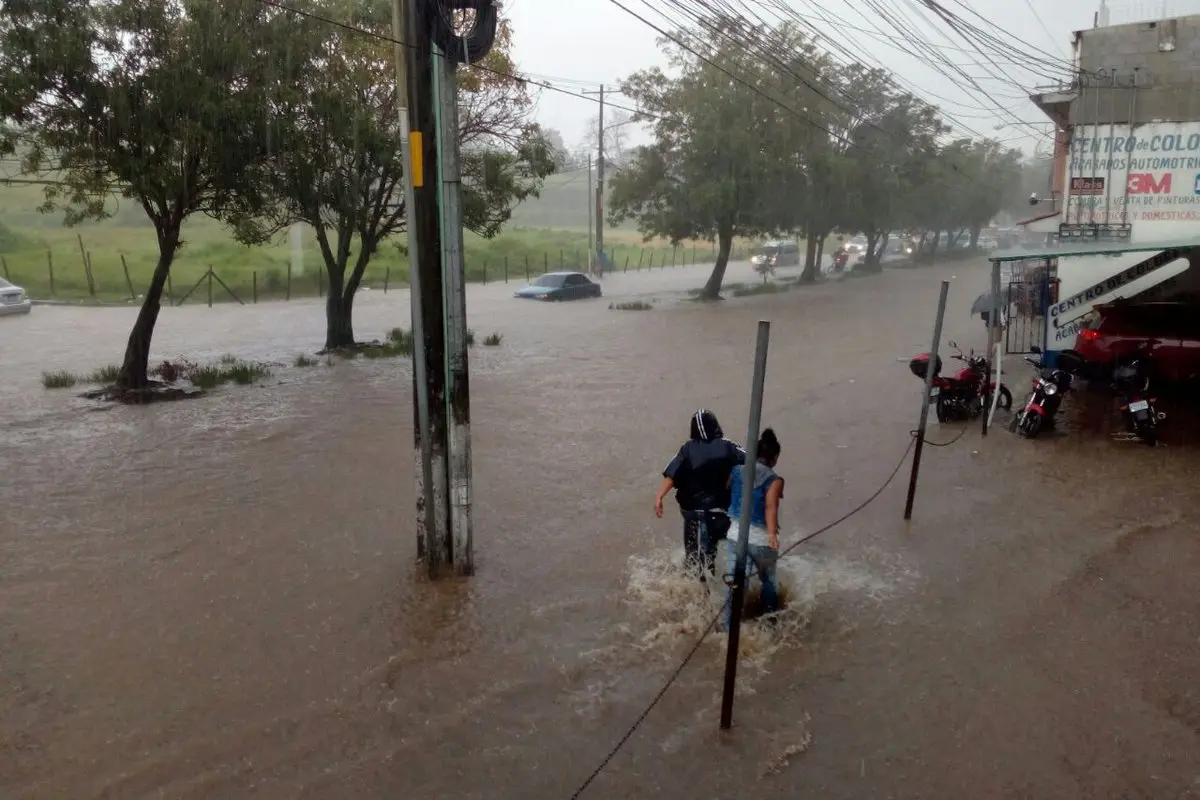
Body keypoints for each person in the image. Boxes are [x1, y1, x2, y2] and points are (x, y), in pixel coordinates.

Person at [654, 409, 745, 580]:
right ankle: (729, 591)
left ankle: (699, 598)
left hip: (693, 515)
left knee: (694, 562)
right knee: (712, 553)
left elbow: (672, 474)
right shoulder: (728, 446)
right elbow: (752, 461)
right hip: (720, 515)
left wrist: (659, 496)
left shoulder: (687, 449)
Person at [721, 428, 784, 632]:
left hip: (735, 536)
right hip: (761, 541)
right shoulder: (774, 480)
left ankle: (728, 625)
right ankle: (770, 624)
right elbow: (770, 507)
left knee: (736, 583)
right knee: (769, 581)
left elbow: (728, 487)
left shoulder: (736, 470)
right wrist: (772, 534)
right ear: (774, 457)